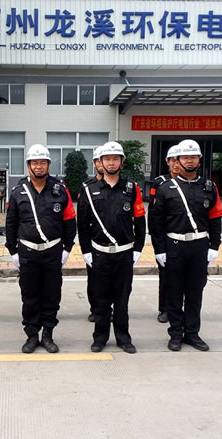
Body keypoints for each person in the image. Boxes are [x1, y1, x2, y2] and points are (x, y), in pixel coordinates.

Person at [151, 139, 222, 352]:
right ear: (177, 160)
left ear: (199, 160)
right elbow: (156, 223)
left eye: (193, 157)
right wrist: (159, 250)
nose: (189, 161)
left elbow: (216, 218)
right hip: (174, 246)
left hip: (199, 246)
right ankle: (175, 333)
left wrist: (214, 245)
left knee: (195, 292)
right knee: (174, 293)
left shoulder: (209, 187)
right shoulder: (165, 188)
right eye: (185, 157)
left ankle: (192, 333)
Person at [5, 144, 76, 354]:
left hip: (53, 251)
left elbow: (69, 221)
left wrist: (67, 248)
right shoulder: (18, 192)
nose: (38, 166)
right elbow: (11, 223)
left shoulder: (60, 190)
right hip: (27, 253)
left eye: (42, 162)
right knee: (30, 296)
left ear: (48, 165)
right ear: (28, 166)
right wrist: (13, 251)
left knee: (52, 295)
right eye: (34, 163)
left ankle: (48, 335)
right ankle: (31, 335)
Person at [77, 141, 146, 354]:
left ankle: (123, 338)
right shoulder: (89, 190)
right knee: (101, 300)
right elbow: (82, 224)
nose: (111, 163)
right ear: (100, 162)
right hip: (100, 253)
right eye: (107, 159)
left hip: (124, 253)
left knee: (122, 300)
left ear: (121, 162)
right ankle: (100, 337)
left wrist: (138, 248)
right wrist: (86, 251)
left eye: (115, 159)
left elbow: (140, 220)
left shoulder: (132, 189)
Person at [148, 145, 182, 324]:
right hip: (167, 237)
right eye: (172, 160)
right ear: (167, 162)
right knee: (166, 275)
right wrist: (156, 241)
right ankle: (165, 308)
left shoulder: (195, 183)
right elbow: (153, 213)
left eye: (178, 160)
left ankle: (180, 308)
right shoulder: (160, 183)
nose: (176, 164)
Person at [83, 146, 104, 323]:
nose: (101, 164)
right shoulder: (87, 187)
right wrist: (85, 249)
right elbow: (82, 221)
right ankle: (96, 308)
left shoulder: (125, 187)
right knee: (94, 279)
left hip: (117, 246)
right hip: (95, 242)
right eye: (97, 161)